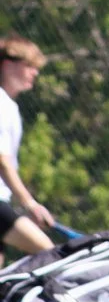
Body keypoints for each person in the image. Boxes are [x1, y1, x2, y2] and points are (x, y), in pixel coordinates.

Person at [0, 38, 55, 256]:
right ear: (7, 64)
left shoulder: (8, 105)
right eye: (29, 66)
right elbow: (2, 162)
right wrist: (29, 204)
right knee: (49, 253)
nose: (35, 73)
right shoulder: (1, 104)